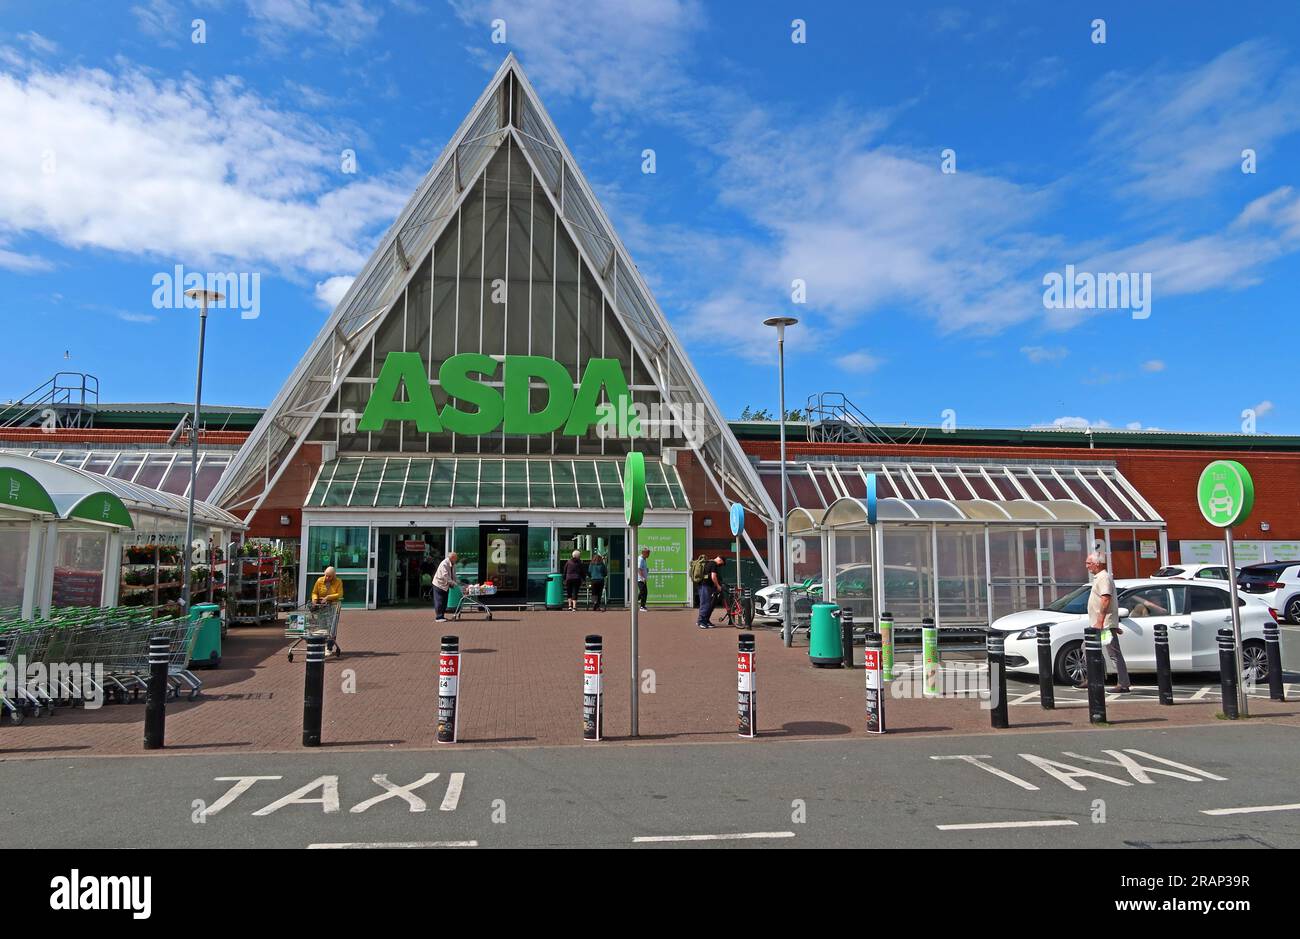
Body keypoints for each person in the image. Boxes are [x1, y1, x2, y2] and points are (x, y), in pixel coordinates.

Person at [1077, 551, 1130, 692]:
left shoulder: (1104, 578)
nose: (1086, 566)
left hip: (1103, 626)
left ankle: (1123, 684)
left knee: (1113, 653)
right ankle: (1093, 678)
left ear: (1097, 564)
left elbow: (1106, 599)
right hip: (1102, 624)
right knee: (1086, 648)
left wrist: (1102, 622)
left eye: (1088, 563)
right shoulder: (1099, 577)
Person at [696, 554, 725, 629]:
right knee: (705, 604)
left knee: (708, 604)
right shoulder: (713, 564)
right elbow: (713, 577)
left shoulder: (709, 562)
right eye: (721, 564)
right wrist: (718, 586)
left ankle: (706, 621)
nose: (720, 566)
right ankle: (701, 622)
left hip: (704, 586)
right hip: (705, 586)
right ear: (720, 560)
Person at [432, 551, 461, 623]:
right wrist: (453, 583)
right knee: (439, 600)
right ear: (452, 558)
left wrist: (456, 581)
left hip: (445, 585)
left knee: (444, 601)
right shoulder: (444, 564)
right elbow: (445, 576)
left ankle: (442, 616)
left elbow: (453, 575)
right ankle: (438, 617)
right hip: (439, 584)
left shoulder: (452, 564)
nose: (456, 560)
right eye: (456, 558)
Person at [637, 547, 650, 611]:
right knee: (643, 592)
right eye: (648, 553)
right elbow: (639, 569)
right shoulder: (641, 559)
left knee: (644, 592)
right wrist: (642, 577)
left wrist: (646, 570)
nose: (649, 555)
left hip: (643, 579)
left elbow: (642, 568)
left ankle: (636, 603)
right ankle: (642, 607)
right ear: (644, 553)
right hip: (640, 579)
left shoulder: (644, 559)